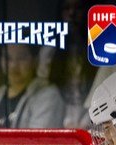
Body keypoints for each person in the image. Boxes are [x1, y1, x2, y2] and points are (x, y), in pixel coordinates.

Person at [37, 0, 96, 128]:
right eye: (66, 8)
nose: (72, 14)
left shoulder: (97, 49)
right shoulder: (49, 51)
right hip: (56, 115)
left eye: (77, 8)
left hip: (90, 115)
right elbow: (43, 89)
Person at [0, 44, 64, 129]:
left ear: (35, 61)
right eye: (8, 58)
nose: (13, 66)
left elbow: (39, 140)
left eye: (21, 58)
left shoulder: (48, 96)